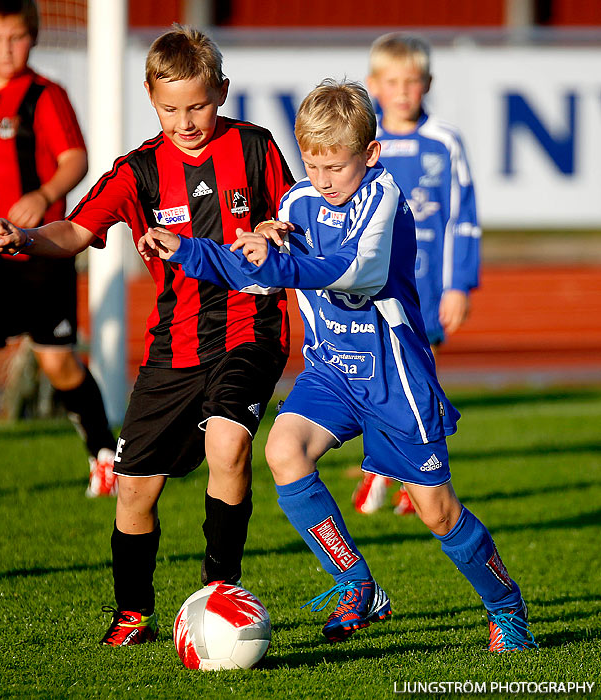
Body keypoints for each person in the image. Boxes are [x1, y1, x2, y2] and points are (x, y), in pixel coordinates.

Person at [139, 79, 537, 652]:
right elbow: (256, 271)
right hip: (330, 371)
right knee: (282, 449)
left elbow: (359, 273)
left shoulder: (385, 197)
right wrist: (190, 251)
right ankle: (356, 583)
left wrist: (280, 262)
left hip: (392, 376)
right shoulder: (299, 202)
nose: (322, 182)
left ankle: (507, 609)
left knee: (436, 510)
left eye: (336, 168)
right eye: (312, 166)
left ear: (369, 155)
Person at [0, 25, 294, 646]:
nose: (187, 121)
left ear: (223, 92)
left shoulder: (255, 147)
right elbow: (75, 231)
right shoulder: (137, 172)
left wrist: (270, 228)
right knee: (134, 491)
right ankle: (134, 612)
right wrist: (25, 239)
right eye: (171, 108)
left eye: (200, 105)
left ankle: (220, 591)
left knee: (229, 446)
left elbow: (290, 213)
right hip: (173, 346)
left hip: (250, 329)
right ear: (152, 101)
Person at [0, 0, 116, 501]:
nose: (5, 49)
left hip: (35, 250)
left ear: (33, 37)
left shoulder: (45, 96)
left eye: (15, 38)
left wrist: (41, 196)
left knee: (57, 362)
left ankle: (104, 458)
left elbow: (75, 159)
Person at [352, 33, 481, 517]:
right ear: (373, 86)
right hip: (374, 284)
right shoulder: (365, 143)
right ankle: (383, 471)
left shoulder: (444, 142)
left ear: (427, 83)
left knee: (417, 381)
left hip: (425, 288)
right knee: (375, 374)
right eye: (392, 82)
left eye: (412, 81)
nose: (403, 91)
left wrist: (459, 284)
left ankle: (411, 477)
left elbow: (462, 216)